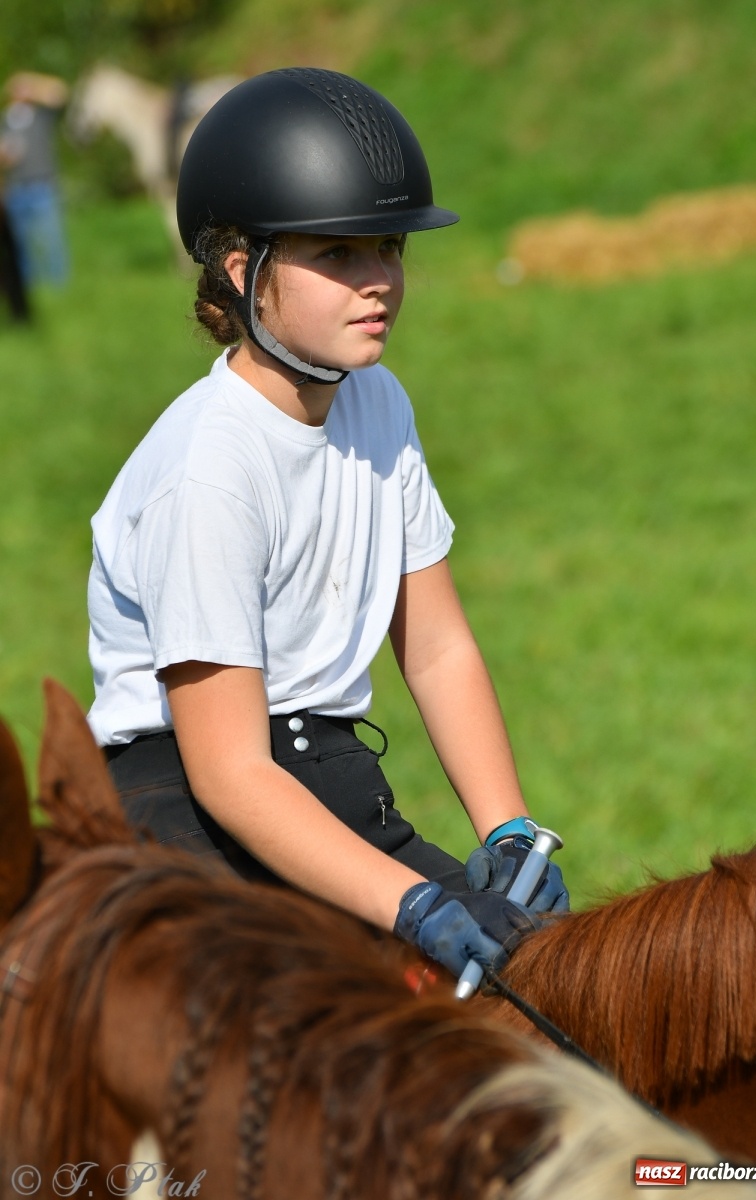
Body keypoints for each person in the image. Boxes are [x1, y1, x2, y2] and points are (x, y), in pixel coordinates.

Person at [87, 67, 568, 982]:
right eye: (339, 255)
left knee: (542, 989)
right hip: (188, 810)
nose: (379, 281)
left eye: (387, 249)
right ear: (244, 272)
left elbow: (434, 647)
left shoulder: (377, 402)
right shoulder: (209, 468)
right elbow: (230, 773)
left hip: (330, 781)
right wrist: (414, 905)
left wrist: (507, 831)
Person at [0, 71, 69, 286]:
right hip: (16, 187)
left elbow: (61, 93)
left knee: (51, 239)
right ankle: (26, 284)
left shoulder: (41, 115)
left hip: (43, 186)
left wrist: (33, 85)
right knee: (20, 243)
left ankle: (58, 284)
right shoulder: (5, 120)